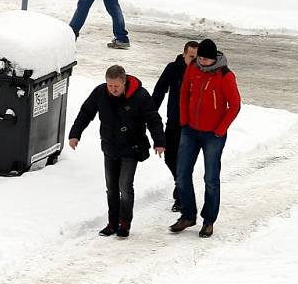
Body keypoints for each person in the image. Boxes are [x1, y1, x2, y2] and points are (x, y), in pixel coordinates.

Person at [68, 65, 165, 238]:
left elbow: (153, 120)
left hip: (131, 148)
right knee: (111, 188)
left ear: (124, 82)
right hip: (109, 147)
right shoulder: (100, 92)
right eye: (109, 85)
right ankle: (112, 223)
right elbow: (85, 113)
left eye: (116, 86)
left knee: (125, 187)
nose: (112, 89)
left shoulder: (140, 96)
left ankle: (125, 223)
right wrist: (75, 134)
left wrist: (159, 142)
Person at [169, 39, 241, 238]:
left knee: (210, 178)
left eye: (205, 59)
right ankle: (188, 215)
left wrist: (220, 130)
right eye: (199, 58)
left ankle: (208, 221)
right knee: (182, 174)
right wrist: (184, 120)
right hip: (190, 131)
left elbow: (234, 105)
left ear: (214, 58)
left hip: (213, 135)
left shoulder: (225, 76)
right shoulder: (193, 67)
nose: (202, 62)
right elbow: (184, 92)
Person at [152, 40, 199, 213]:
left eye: (197, 57)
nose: (194, 61)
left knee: (184, 162)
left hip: (192, 126)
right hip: (174, 121)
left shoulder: (201, 72)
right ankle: (180, 184)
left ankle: (181, 195)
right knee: (170, 157)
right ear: (184, 54)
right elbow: (159, 90)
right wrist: (150, 113)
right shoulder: (173, 68)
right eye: (191, 57)